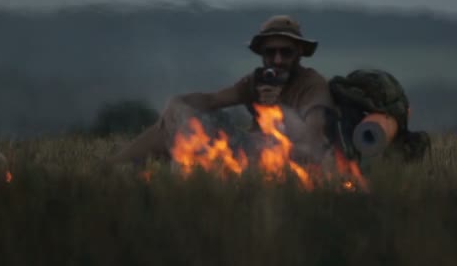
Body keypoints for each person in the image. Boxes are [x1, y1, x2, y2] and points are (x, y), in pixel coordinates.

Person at [110, 15, 336, 164]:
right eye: (270, 52)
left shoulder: (312, 85)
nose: (277, 60)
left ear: (299, 53)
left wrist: (277, 109)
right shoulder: (256, 82)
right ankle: (113, 168)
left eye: (286, 52)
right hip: (248, 153)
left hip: (282, 163)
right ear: (262, 55)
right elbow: (212, 100)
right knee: (180, 124)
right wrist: (178, 102)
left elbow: (312, 145)